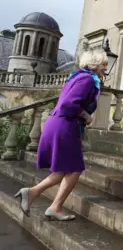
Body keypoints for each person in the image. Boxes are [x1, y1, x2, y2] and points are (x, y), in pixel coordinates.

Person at [14, 50, 108, 221]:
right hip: (65, 125)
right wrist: (86, 115)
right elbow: (67, 104)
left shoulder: (77, 77)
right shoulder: (87, 79)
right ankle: (55, 207)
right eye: (104, 64)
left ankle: (32, 193)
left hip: (58, 123)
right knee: (75, 169)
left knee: (65, 168)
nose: (106, 69)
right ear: (94, 64)